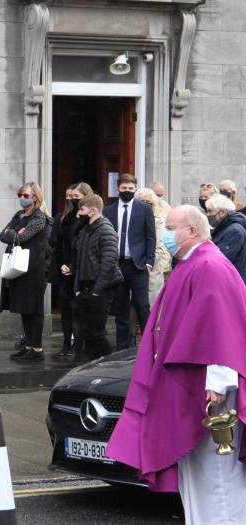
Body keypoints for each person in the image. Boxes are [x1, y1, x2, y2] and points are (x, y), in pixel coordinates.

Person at [106, 205, 246, 524]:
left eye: (171, 228)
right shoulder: (192, 262)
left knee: (216, 477)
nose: (165, 235)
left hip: (210, 391)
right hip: (194, 384)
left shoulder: (209, 265)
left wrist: (218, 383)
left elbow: (223, 326)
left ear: (192, 231)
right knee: (197, 476)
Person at [61, 194, 121, 364]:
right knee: (86, 332)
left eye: (82, 209)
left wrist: (97, 290)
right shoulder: (86, 229)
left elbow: (108, 263)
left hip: (99, 288)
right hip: (86, 286)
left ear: (93, 210)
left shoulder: (105, 230)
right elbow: (82, 258)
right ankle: (93, 364)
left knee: (96, 333)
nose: (79, 213)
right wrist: (74, 277)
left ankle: (112, 363)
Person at [103, 173, 156, 350]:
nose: (127, 191)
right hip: (117, 265)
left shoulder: (144, 209)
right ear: (118, 188)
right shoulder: (108, 210)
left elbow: (150, 237)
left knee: (142, 305)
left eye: (131, 188)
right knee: (121, 308)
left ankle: (149, 345)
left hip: (137, 265)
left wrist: (149, 261)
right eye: (124, 188)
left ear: (135, 189)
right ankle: (122, 347)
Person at [2, 182, 51, 362]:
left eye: (26, 196)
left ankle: (37, 349)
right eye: (20, 195)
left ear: (35, 197)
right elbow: (2, 235)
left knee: (34, 309)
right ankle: (28, 345)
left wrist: (13, 233)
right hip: (19, 267)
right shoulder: (19, 215)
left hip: (35, 268)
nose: (22, 199)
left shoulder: (39, 217)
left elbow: (22, 237)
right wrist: (14, 233)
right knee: (24, 307)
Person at [50, 182, 92, 356]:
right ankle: (66, 342)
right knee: (66, 309)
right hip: (64, 269)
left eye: (77, 197)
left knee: (78, 310)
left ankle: (79, 345)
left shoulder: (87, 218)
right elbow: (58, 243)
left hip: (81, 271)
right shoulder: (65, 218)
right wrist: (62, 264)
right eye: (71, 196)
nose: (73, 200)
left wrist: (73, 266)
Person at [135, 188, 168, 304]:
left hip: (151, 269)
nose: (146, 205)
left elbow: (159, 247)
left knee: (151, 305)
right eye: (142, 202)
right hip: (134, 268)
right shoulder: (132, 219)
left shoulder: (158, 221)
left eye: (149, 203)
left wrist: (147, 263)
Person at [205, 194, 246, 283]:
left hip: (232, 282)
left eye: (210, 211)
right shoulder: (223, 227)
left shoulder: (234, 231)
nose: (207, 215)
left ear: (222, 212)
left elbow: (220, 260)